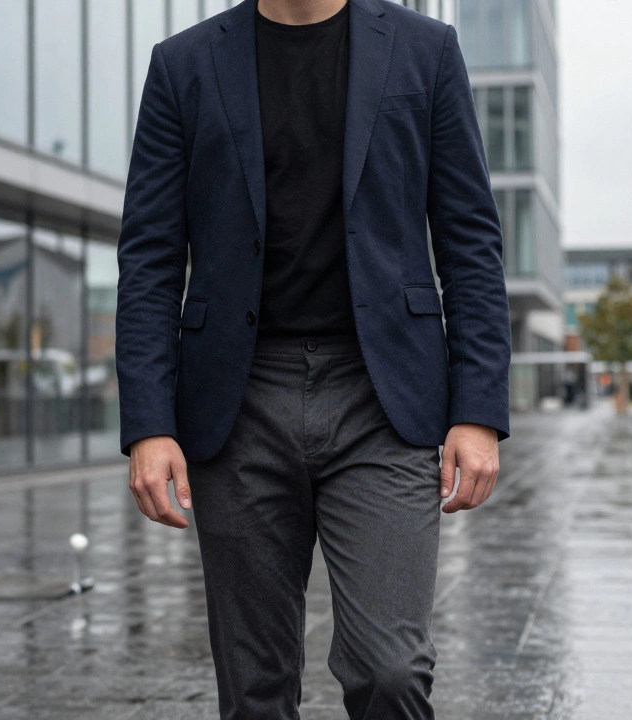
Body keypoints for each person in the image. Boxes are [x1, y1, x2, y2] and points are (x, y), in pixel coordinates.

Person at [115, 0, 510, 717]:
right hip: (237, 401)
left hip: (385, 397)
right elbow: (150, 257)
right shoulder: (185, 65)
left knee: (390, 669)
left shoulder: (425, 52)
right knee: (255, 687)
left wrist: (479, 410)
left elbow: (470, 244)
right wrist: (149, 423)